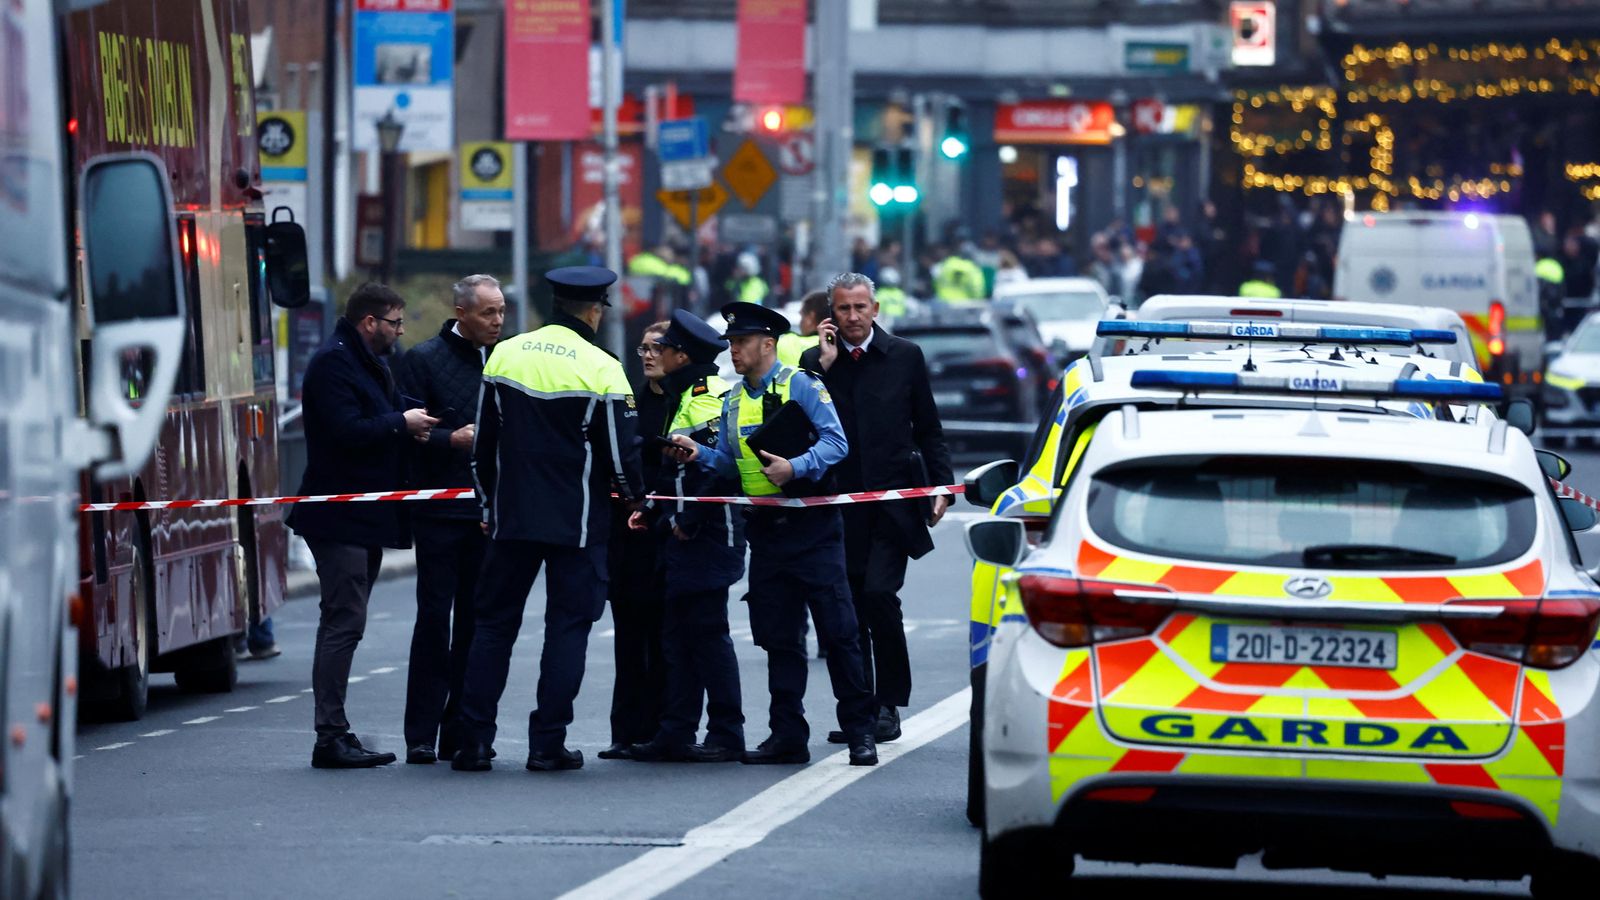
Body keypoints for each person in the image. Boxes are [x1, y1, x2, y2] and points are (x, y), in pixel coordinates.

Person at [666, 301, 879, 766]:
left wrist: (795, 467)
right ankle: (787, 735)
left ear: (768, 344)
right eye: (731, 343)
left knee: (839, 633)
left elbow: (836, 442)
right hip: (765, 533)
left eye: (741, 343)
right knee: (778, 637)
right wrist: (696, 455)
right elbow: (728, 462)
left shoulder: (800, 385)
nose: (733, 351)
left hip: (813, 528)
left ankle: (861, 731)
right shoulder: (733, 401)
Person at [451, 266, 645, 773]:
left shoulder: (505, 355)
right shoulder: (604, 368)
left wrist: (490, 510)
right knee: (568, 630)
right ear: (594, 309)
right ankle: (547, 744)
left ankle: (472, 742)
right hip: (578, 524)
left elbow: (482, 450)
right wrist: (637, 504)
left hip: (512, 519)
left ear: (555, 303)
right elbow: (623, 460)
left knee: (492, 628)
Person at [289, 283, 438, 769]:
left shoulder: (366, 361)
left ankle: (336, 731)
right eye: (394, 322)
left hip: (363, 515)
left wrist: (425, 418)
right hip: (339, 515)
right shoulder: (334, 363)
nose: (400, 331)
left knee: (345, 620)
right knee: (343, 620)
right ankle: (329, 736)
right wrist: (402, 422)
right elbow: (345, 431)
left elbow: (387, 407)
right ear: (369, 322)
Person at [801, 273, 952, 745]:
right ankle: (858, 709)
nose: (852, 317)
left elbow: (928, 427)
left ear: (876, 309)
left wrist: (940, 487)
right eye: (843, 309)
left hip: (892, 505)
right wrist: (823, 367)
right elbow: (802, 423)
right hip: (839, 506)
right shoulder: (814, 362)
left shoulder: (905, 356)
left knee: (878, 598)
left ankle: (887, 705)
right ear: (831, 313)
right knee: (847, 611)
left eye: (860, 308)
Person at [625, 310, 747, 763]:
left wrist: (688, 521)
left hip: (709, 535)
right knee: (678, 637)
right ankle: (676, 731)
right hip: (682, 533)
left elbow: (719, 470)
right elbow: (675, 469)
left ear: (682, 356)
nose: (658, 354)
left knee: (708, 636)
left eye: (666, 348)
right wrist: (653, 510)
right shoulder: (684, 396)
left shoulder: (706, 398)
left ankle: (726, 733)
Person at [394, 274, 505, 764]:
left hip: (487, 513)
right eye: (488, 313)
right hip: (439, 512)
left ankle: (463, 730)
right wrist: (450, 441)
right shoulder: (422, 360)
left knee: (478, 626)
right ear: (461, 312)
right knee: (435, 621)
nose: (498, 321)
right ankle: (420, 733)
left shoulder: (505, 360)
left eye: (501, 312)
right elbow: (404, 432)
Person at [598, 320, 673, 760]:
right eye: (642, 348)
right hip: (627, 535)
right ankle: (625, 731)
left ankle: (664, 727)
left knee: (664, 637)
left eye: (656, 348)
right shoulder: (631, 400)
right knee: (628, 634)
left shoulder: (685, 402)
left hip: (666, 534)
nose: (646, 355)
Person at [776, 290, 829, 368]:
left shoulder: (786, 342)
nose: (800, 322)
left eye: (802, 316)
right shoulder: (838, 345)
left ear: (811, 317)